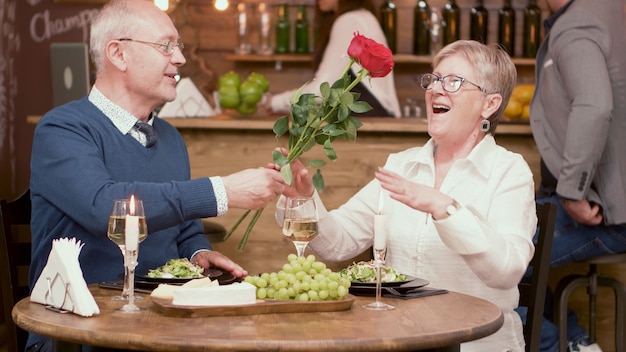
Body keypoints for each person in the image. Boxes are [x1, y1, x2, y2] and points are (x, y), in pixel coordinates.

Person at [27, 0, 285, 350]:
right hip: (77, 334)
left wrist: (196, 253)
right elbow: (107, 207)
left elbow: (183, 227)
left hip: (158, 328)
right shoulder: (62, 129)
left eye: (178, 46)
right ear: (118, 54)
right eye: (166, 45)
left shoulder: (170, 138)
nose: (179, 58)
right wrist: (221, 191)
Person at [274, 40, 537, 351]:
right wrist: (304, 198)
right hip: (400, 342)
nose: (436, 90)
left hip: (479, 346)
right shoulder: (401, 166)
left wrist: (444, 208)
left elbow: (507, 271)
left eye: (453, 81)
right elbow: (337, 242)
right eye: (434, 79)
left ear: (489, 104)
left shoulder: (509, 171)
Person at [524, 0, 626, 351]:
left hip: (603, 212)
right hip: (607, 205)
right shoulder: (612, 11)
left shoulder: (577, 24)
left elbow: (595, 106)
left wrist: (571, 191)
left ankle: (563, 345)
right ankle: (576, 340)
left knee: (493, 260)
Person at [267, 0, 401, 118]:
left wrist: (274, 102)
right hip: (377, 119)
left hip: (367, 123)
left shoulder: (349, 20)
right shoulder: (363, 16)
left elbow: (322, 90)